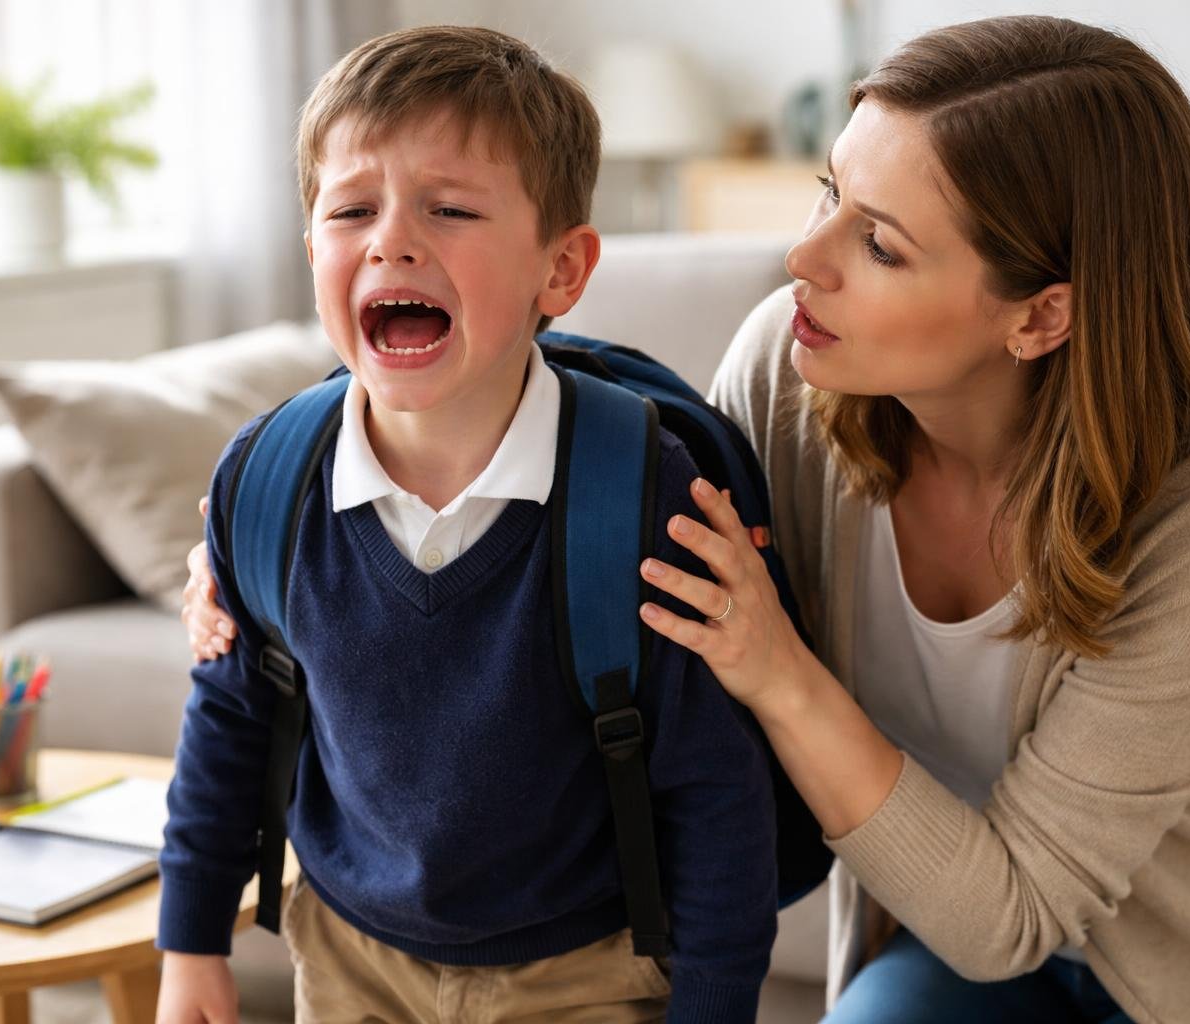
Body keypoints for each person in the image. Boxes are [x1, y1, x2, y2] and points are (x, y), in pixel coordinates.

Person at [186, 16, 1190, 1024]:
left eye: (876, 241)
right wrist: (276, 524)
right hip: (938, 944)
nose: (802, 257)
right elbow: (580, 426)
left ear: (1039, 316)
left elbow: (1013, 911)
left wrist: (777, 669)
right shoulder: (793, 369)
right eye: (830, 192)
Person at [157, 26, 777, 1024]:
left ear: (562, 271)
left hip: (588, 965)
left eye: (449, 209)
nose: (390, 239)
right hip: (351, 954)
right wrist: (189, 942)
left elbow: (715, 793)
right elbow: (230, 721)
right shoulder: (265, 477)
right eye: (351, 208)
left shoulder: (641, 491)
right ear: (312, 247)